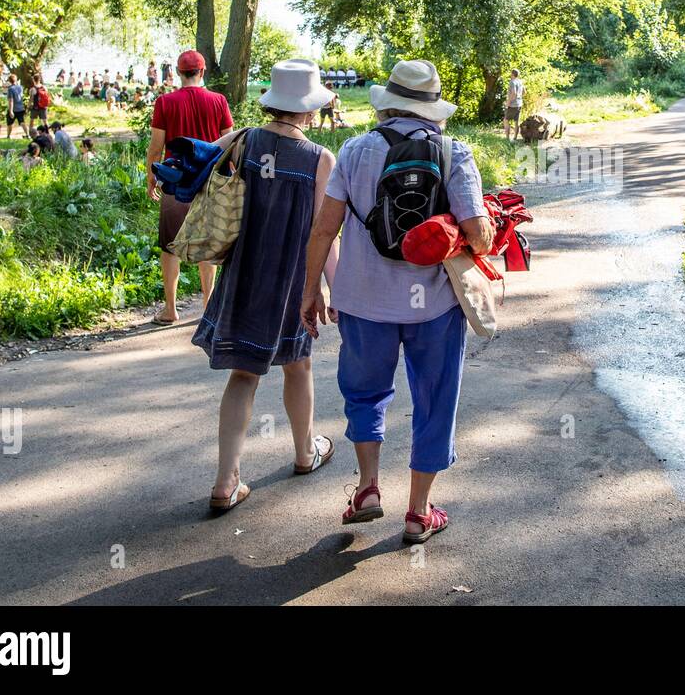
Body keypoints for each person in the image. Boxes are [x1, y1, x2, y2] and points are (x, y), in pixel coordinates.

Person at [301, 59, 493, 544]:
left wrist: (311, 290)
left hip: (363, 302)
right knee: (434, 399)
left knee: (365, 393)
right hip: (434, 306)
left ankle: (367, 489)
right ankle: (418, 511)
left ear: (388, 104)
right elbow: (478, 236)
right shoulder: (454, 153)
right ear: (433, 109)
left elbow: (324, 228)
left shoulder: (354, 150)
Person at [192, 59, 339, 512]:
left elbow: (198, 156)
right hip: (294, 279)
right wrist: (335, 291)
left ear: (274, 102)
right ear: (310, 110)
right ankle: (303, 452)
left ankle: (225, 481)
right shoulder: (319, 159)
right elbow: (323, 232)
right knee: (298, 365)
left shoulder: (245, 140)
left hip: (244, 275)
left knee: (243, 374)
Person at [147, 49, 234, 325]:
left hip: (175, 181)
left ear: (178, 72)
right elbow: (230, 143)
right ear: (202, 71)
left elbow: (156, 146)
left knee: (170, 244)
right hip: (208, 181)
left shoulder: (165, 102)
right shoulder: (218, 101)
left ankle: (170, 309)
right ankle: (208, 305)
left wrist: (152, 177)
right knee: (206, 242)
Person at [503, 68, 525, 141]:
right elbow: (524, 92)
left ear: (512, 74)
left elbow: (514, 93)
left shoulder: (512, 82)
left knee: (506, 120)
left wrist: (508, 103)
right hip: (519, 104)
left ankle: (507, 138)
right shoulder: (520, 82)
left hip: (513, 105)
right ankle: (515, 138)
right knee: (516, 121)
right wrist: (519, 98)